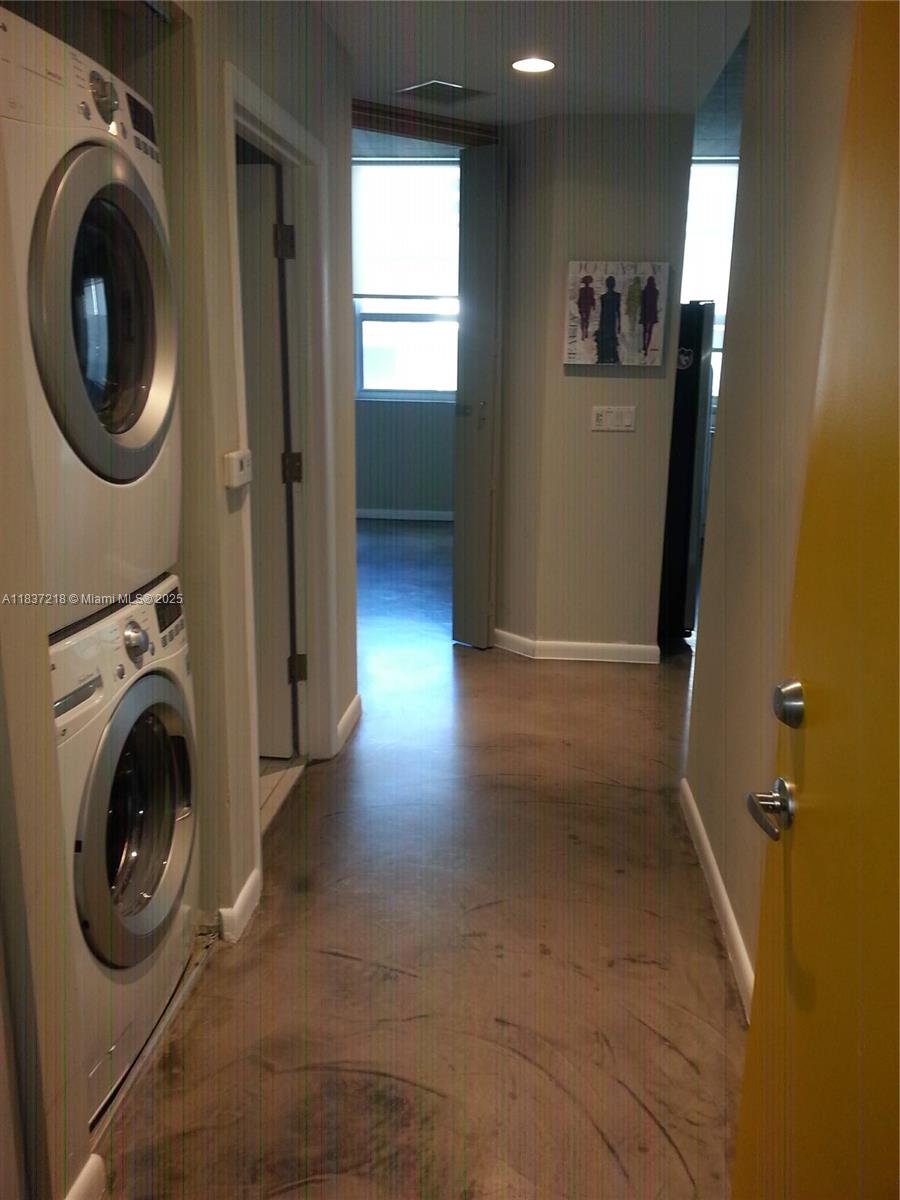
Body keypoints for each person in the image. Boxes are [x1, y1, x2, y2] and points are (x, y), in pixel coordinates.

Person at [594, 275, 621, 364]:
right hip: (610, 319)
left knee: (608, 337)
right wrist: (619, 323)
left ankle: (608, 355)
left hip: (606, 319)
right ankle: (609, 356)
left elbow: (615, 310)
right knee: (609, 337)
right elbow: (617, 310)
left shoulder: (604, 297)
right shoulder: (616, 296)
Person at [640, 275, 660, 358]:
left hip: (645, 313)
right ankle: (647, 346)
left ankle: (644, 346)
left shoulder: (644, 291)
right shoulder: (655, 291)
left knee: (644, 331)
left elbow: (642, 304)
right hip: (652, 313)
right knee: (649, 331)